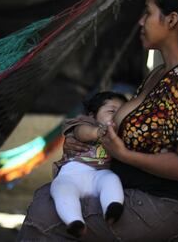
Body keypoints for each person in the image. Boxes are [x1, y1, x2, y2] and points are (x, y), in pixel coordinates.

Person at [18, 0, 178, 241]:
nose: (140, 21)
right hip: (137, 192)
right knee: (49, 197)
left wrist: (123, 154)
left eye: (148, 13)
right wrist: (82, 139)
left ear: (171, 20)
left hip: (166, 205)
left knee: (44, 217)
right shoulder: (160, 73)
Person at [51, 91, 127, 238]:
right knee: (61, 190)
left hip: (99, 175)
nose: (117, 116)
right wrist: (98, 131)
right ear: (92, 115)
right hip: (71, 176)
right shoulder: (85, 123)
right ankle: (74, 222)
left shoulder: (121, 133)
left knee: (111, 180)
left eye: (121, 112)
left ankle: (112, 208)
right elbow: (81, 132)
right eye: (112, 111)